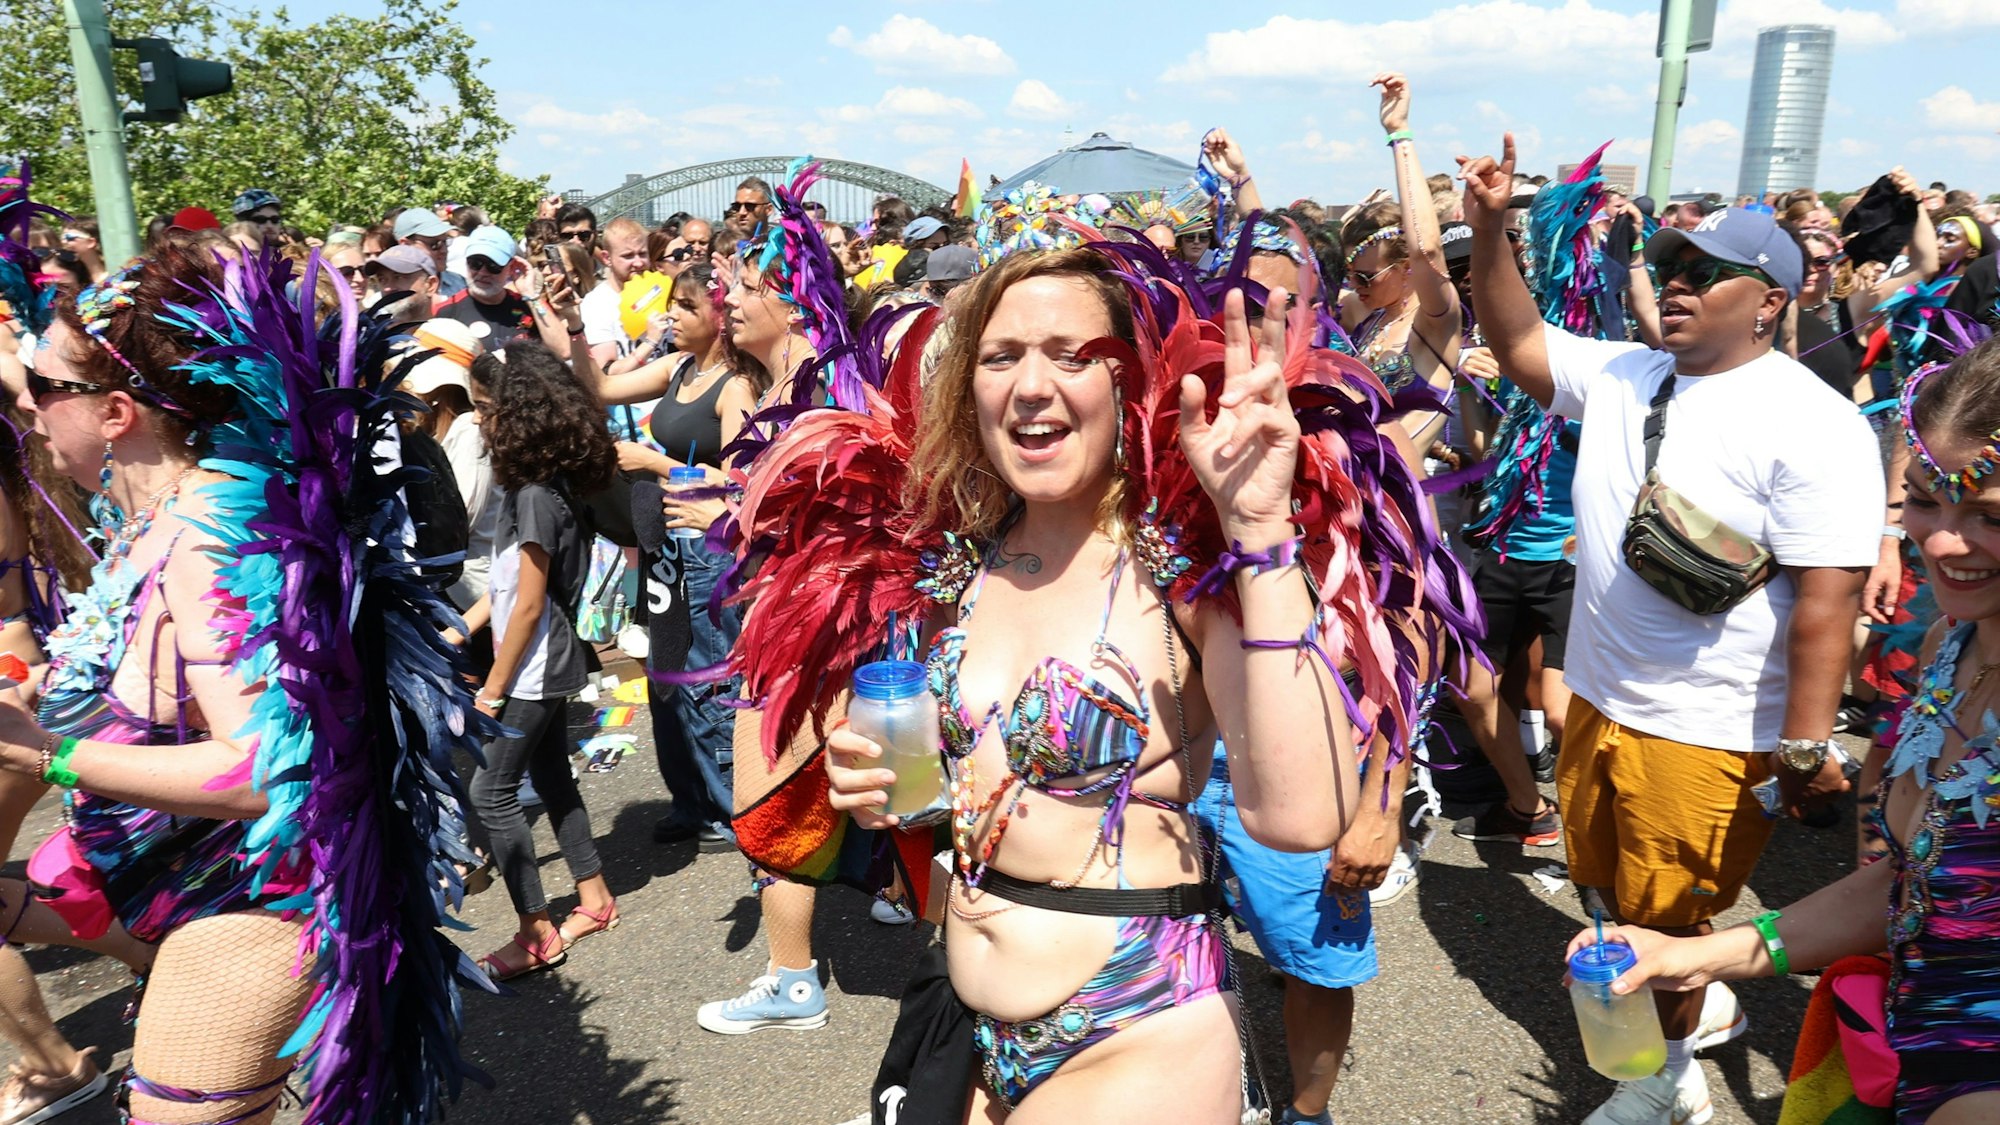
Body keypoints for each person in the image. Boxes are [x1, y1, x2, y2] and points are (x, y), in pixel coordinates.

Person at [1, 236, 484, 1124]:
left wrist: (54, 756)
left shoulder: (212, 536)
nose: (26, 411)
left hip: (245, 907)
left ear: (115, 411)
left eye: (41, 389)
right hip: (177, 895)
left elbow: (259, 769)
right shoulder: (157, 526)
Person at [1462, 134, 1886, 1124]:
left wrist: (1802, 745)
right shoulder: (1621, 374)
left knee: (1665, 918)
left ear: (1771, 300)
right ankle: (1697, 1009)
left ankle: (1661, 1081)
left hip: (1707, 730)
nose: (1675, 284)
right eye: (1666, 269)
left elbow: (1825, 599)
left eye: (1706, 273)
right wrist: (1488, 231)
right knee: (1611, 898)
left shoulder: (1812, 421)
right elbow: (1517, 337)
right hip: (1600, 701)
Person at [1579, 338, 2000, 1125]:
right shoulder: (1951, 645)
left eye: (1988, 514)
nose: (1941, 541)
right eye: (1924, 500)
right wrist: (1688, 956)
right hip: (1906, 1050)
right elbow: (1897, 886)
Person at [563, 264, 763, 852]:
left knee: (705, 676)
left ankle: (733, 811)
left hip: (707, 550)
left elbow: (739, 485)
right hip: (667, 545)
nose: (668, 314)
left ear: (719, 316)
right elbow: (596, 389)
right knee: (666, 674)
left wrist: (655, 465)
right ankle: (690, 801)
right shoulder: (679, 368)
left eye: (685, 305)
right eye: (671, 303)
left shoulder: (735, 387)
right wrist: (575, 329)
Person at [454, 340, 621, 980]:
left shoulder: (532, 498)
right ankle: (596, 897)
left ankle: (535, 931)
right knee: (552, 777)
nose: (477, 421)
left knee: (490, 791)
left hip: (534, 668)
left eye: (484, 408)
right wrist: (460, 627)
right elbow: (506, 587)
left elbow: (526, 606)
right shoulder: (539, 485)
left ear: (514, 415)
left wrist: (492, 691)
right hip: (543, 661)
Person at [436, 225, 538, 351]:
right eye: (475, 263)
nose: (483, 273)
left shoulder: (529, 305)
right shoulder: (446, 312)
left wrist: (530, 294)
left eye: (493, 266)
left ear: (510, 268)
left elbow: (564, 351)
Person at [362, 244, 440, 330]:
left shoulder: (449, 334)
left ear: (430, 285)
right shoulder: (372, 339)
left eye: (399, 277)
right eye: (382, 279)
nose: (388, 288)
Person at [394, 208, 466, 299]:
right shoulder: (390, 291)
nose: (444, 250)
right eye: (435, 244)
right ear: (405, 244)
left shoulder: (461, 284)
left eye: (445, 242)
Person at [724, 177, 774, 248]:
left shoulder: (781, 247)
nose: (742, 212)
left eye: (750, 206)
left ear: (769, 209)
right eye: (737, 206)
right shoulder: (723, 246)